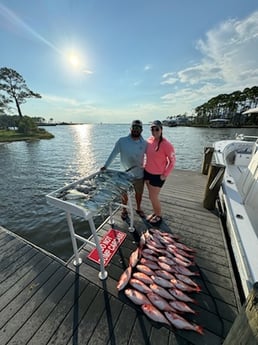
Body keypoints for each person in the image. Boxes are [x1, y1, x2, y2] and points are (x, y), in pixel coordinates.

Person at [101, 120, 147, 220]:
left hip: (139, 174)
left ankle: (138, 208)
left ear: (141, 130)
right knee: (124, 194)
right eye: (134, 127)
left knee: (139, 193)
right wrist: (105, 166)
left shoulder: (144, 143)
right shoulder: (122, 141)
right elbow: (113, 154)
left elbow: (151, 156)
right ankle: (124, 210)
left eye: (138, 128)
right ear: (130, 128)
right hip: (124, 174)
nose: (136, 130)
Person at [144, 120, 176, 226]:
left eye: (157, 129)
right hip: (147, 172)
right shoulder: (149, 141)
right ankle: (155, 212)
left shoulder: (166, 145)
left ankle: (158, 216)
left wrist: (165, 175)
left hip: (158, 176)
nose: (154, 131)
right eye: (152, 129)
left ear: (161, 130)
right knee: (151, 196)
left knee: (153, 197)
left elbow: (172, 161)